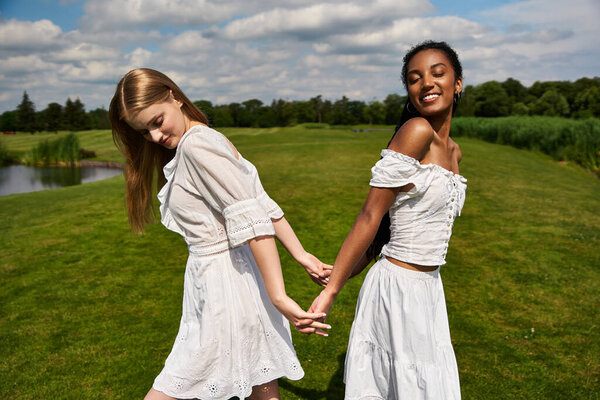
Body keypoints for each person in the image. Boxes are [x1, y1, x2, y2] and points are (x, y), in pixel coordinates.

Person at [109, 68, 331, 400]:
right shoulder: (203, 139)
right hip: (228, 283)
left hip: (224, 287)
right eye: (144, 131)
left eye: (157, 121)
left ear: (174, 97)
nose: (155, 137)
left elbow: (254, 219)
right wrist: (300, 255)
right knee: (263, 388)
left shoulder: (198, 146)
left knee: (174, 385)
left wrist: (279, 296)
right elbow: (260, 202)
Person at [309, 41, 466, 399]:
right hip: (397, 291)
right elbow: (371, 214)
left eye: (438, 73)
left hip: (430, 290)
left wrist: (341, 270)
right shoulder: (416, 132)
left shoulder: (455, 150)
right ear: (409, 92)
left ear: (457, 83)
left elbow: (386, 229)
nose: (426, 82)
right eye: (415, 78)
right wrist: (333, 289)